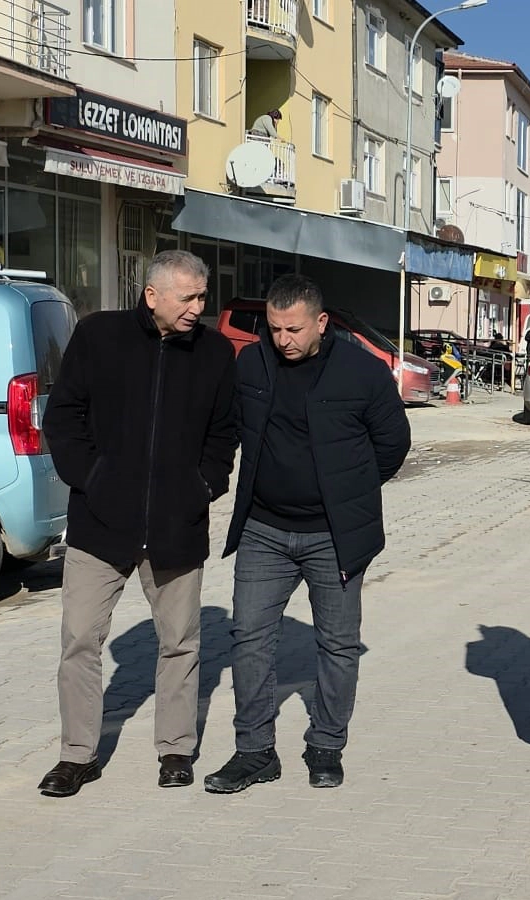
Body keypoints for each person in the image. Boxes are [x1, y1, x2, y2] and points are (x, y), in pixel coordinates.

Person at [38, 250, 237, 797]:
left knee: (180, 643)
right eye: (187, 297)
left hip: (177, 525)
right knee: (80, 640)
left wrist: (203, 486)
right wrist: (93, 478)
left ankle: (176, 750)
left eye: (202, 296)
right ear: (152, 295)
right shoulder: (98, 336)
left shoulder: (216, 352)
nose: (198, 307)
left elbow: (224, 432)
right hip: (99, 523)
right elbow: (64, 416)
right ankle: (76, 756)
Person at [204, 275, 411, 794]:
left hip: (335, 536)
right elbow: (230, 428)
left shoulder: (362, 371)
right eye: (274, 329)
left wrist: (348, 492)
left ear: (321, 322)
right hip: (263, 530)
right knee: (249, 638)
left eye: (293, 329)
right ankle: (254, 752)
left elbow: (393, 444)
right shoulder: (251, 364)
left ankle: (326, 746)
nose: (283, 340)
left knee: (338, 645)